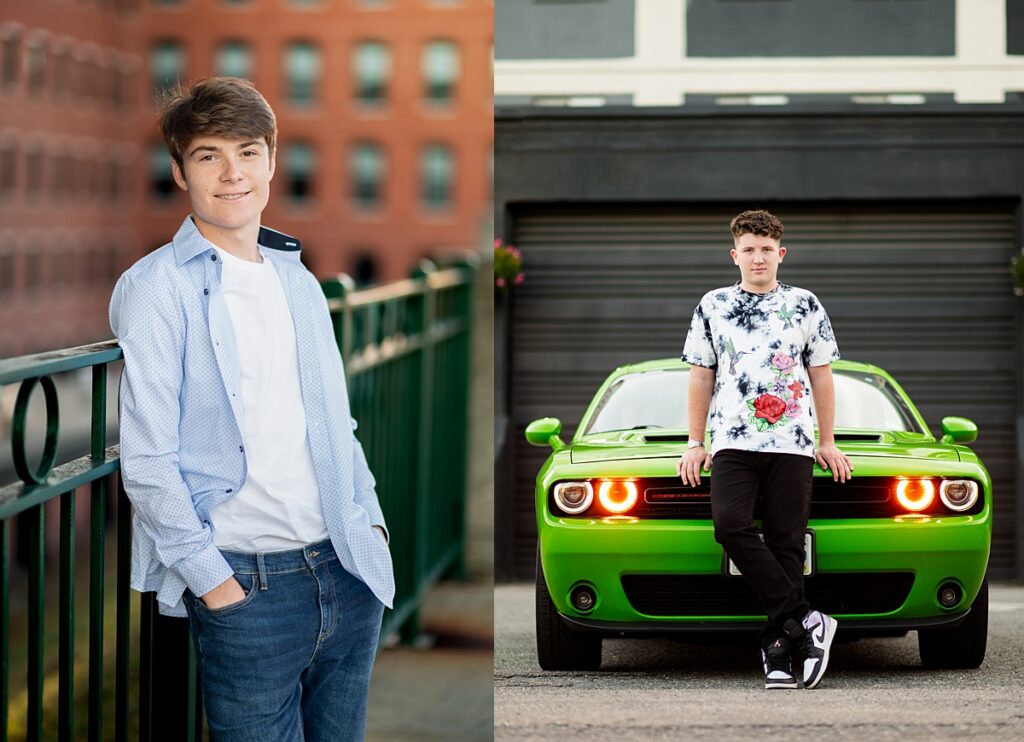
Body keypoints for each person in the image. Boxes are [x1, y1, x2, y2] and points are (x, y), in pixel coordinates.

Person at [109, 77, 394, 740]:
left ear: (272, 159)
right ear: (180, 172)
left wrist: (372, 528)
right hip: (247, 588)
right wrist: (216, 587)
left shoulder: (297, 279)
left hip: (347, 572)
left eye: (247, 152)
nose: (232, 173)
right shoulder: (156, 290)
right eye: (209, 155)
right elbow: (148, 462)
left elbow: (337, 426)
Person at [677, 209, 852, 690]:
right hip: (731, 441)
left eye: (766, 249)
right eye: (749, 250)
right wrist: (695, 442)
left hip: (792, 443)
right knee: (730, 526)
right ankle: (808, 620)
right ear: (735, 255)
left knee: (786, 544)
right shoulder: (712, 305)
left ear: (781, 253)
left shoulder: (805, 304)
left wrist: (827, 441)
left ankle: (779, 650)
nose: (758, 258)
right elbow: (701, 374)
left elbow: (821, 374)